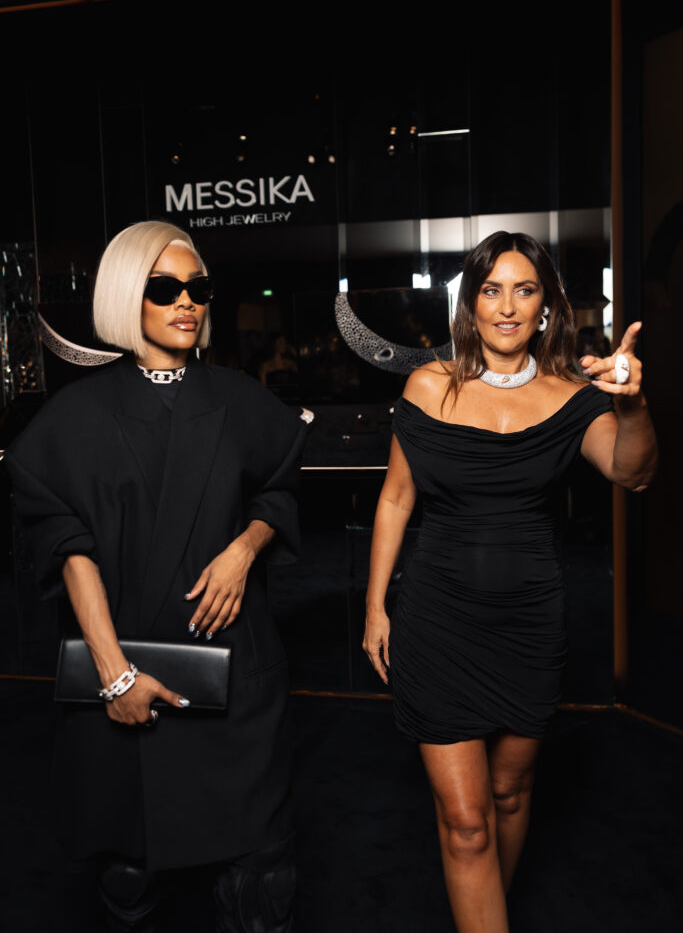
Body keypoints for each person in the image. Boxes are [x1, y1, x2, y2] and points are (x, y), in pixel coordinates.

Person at [6, 221, 307, 933]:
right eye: (164, 288)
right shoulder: (74, 417)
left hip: (234, 670)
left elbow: (279, 488)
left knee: (265, 879)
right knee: (128, 877)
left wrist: (244, 549)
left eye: (198, 288)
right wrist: (114, 677)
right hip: (124, 668)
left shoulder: (238, 399)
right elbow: (67, 548)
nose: (186, 302)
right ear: (124, 295)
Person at [362, 231, 657, 933]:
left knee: (510, 793)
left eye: (524, 290)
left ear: (545, 305)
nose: (506, 307)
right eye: (490, 290)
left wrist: (632, 404)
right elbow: (396, 498)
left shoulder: (572, 396)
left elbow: (634, 473)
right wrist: (375, 607)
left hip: (528, 625)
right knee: (467, 823)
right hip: (436, 622)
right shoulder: (427, 386)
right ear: (469, 304)